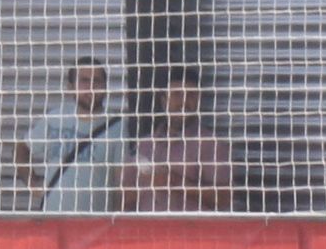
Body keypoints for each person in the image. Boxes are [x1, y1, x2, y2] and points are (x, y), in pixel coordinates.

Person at [17, 57, 128, 212]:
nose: (91, 87)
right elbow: (22, 148)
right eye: (84, 80)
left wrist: (115, 225)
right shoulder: (55, 118)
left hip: (93, 225)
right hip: (52, 220)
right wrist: (31, 182)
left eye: (97, 81)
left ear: (105, 87)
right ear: (71, 87)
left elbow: (121, 186)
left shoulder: (118, 128)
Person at [123, 71, 235, 212]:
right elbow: (125, 200)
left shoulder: (211, 145)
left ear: (199, 101)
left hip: (192, 232)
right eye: (177, 94)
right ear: (164, 101)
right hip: (147, 232)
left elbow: (224, 198)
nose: (184, 101)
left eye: (191, 95)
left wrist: (174, 182)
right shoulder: (144, 146)